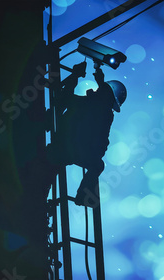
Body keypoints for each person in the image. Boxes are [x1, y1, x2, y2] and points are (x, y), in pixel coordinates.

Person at [54, 61, 126, 207]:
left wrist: (76, 76)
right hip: (73, 147)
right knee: (98, 165)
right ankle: (83, 196)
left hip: (69, 146)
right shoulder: (100, 108)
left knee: (97, 164)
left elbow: (66, 99)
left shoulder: (95, 105)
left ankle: (83, 196)